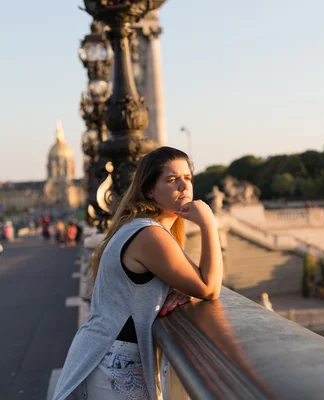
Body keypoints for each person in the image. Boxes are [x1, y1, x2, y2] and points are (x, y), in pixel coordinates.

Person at [52, 147, 223, 400]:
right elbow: (209, 287)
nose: (184, 187)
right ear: (149, 190)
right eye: (172, 179)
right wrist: (209, 224)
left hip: (109, 357)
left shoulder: (144, 229)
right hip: (114, 364)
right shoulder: (149, 235)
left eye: (188, 178)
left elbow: (193, 280)